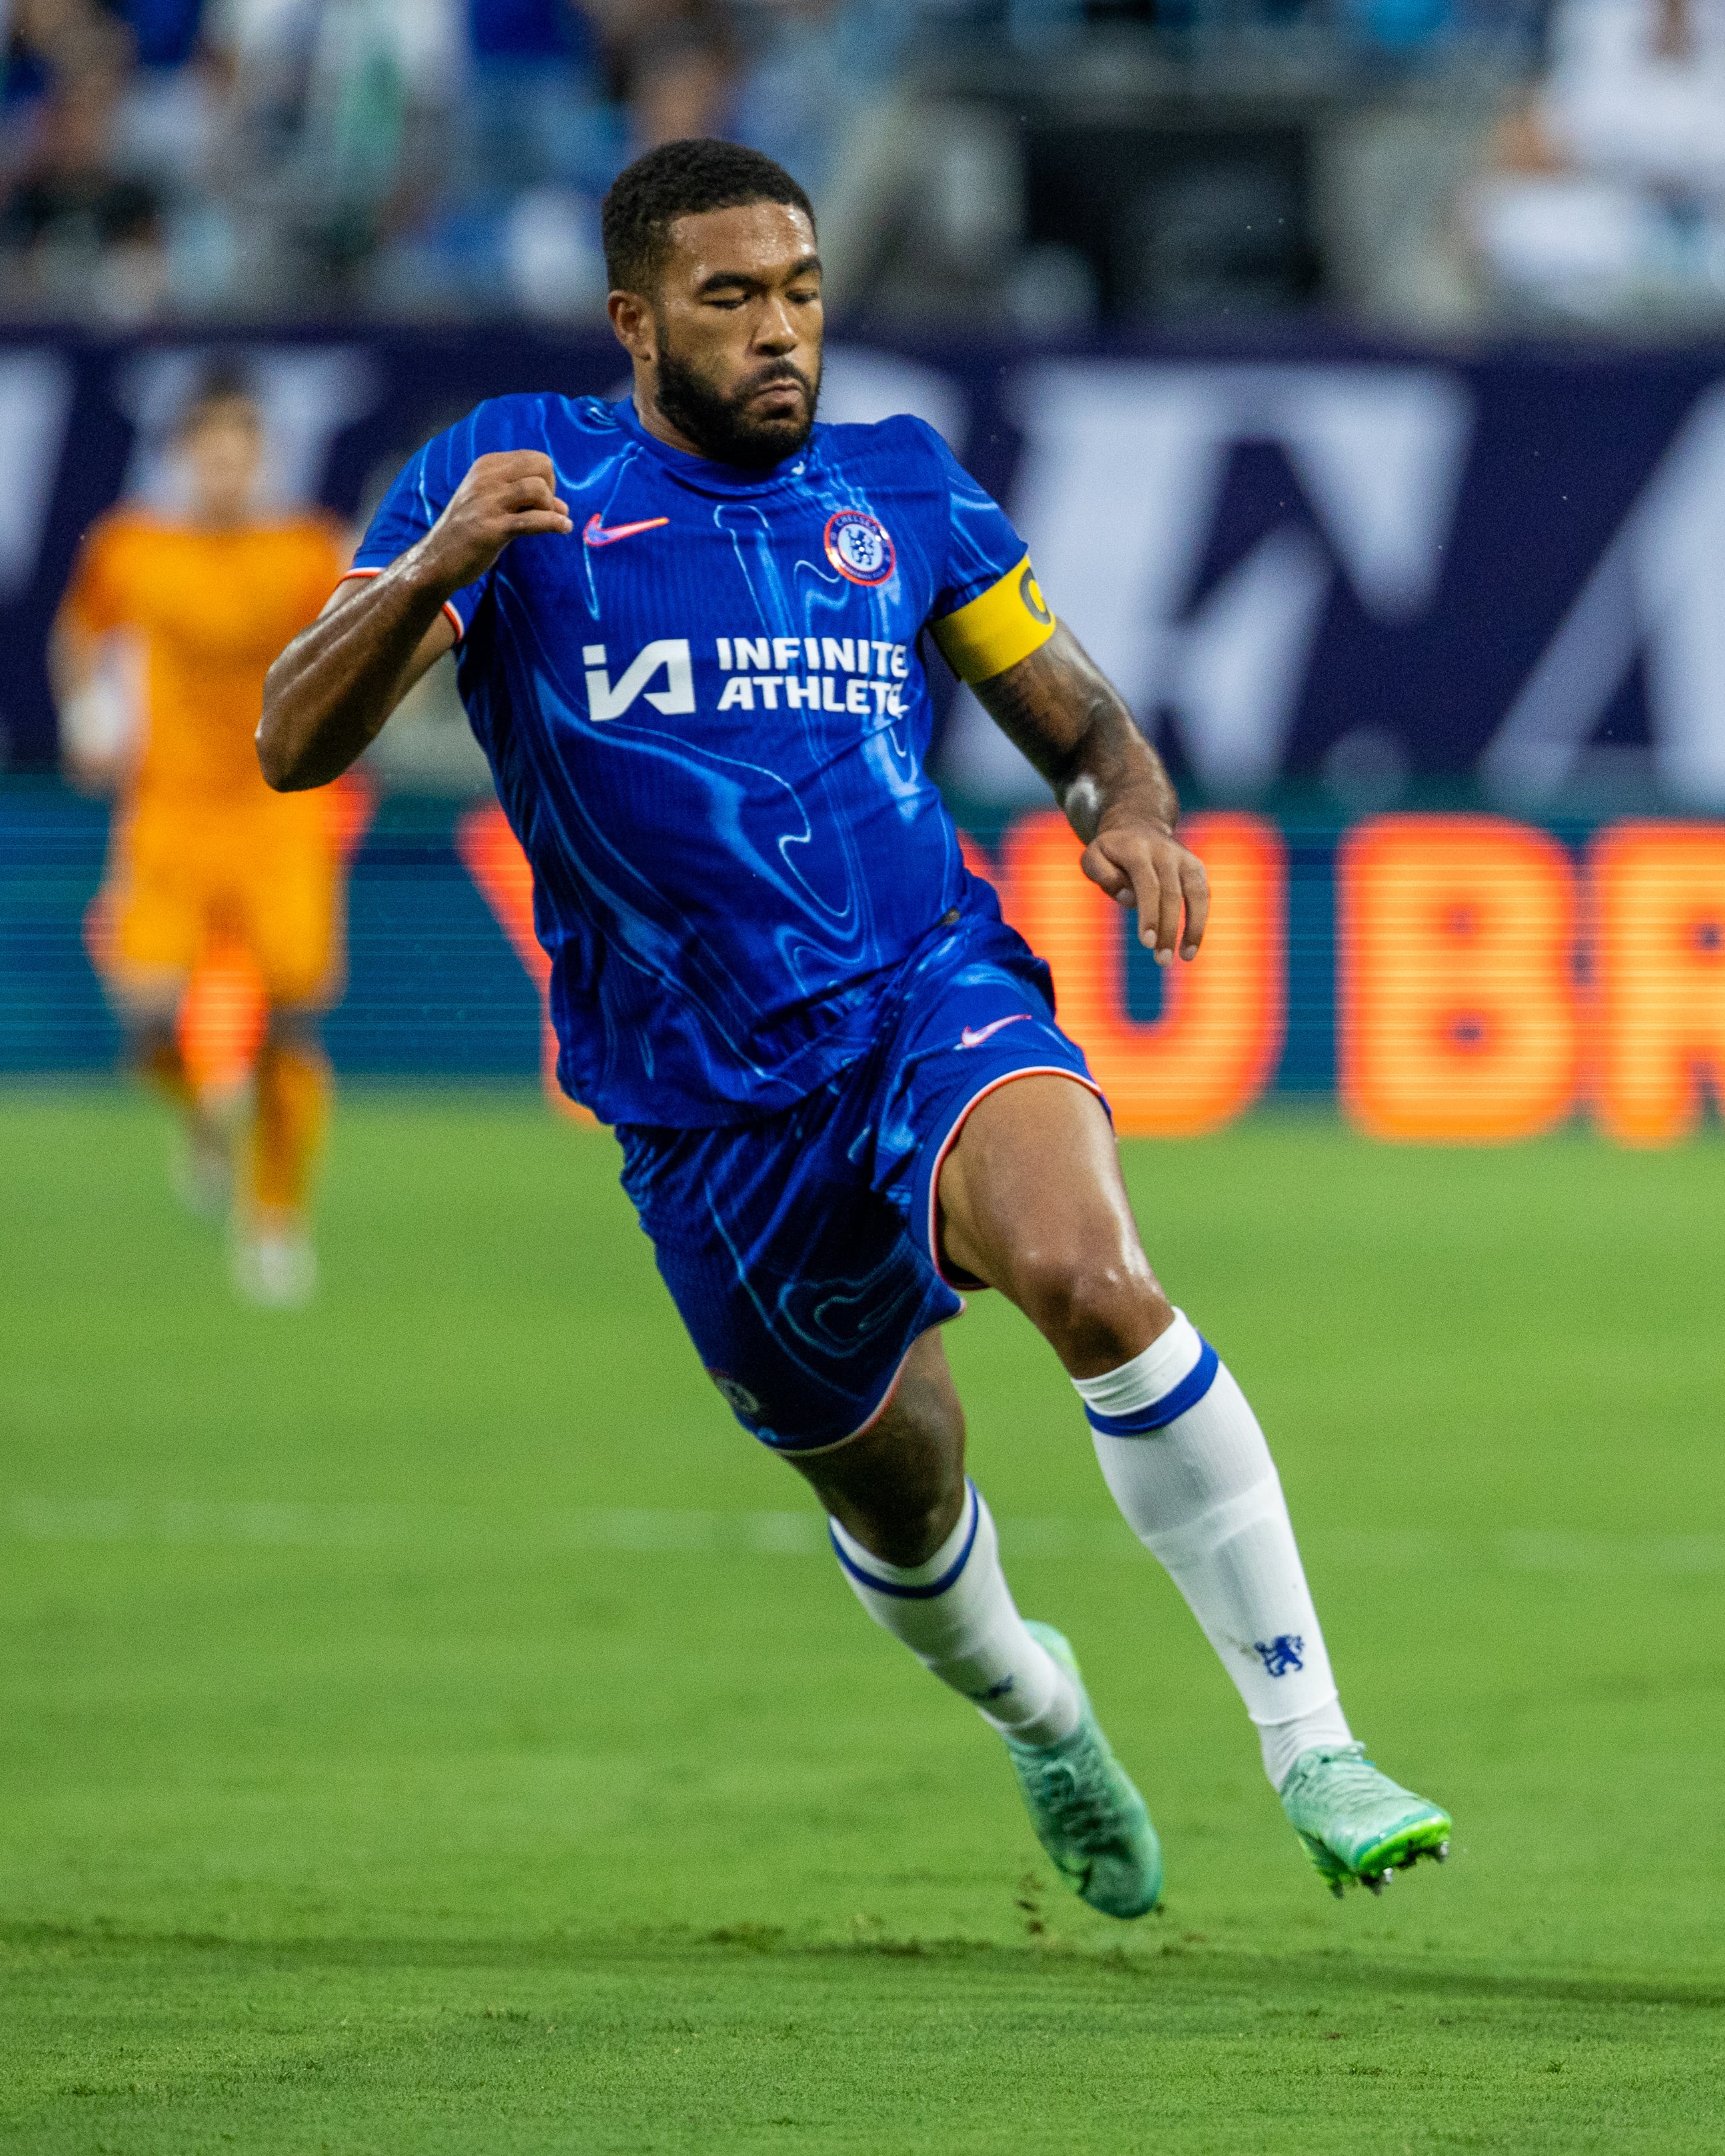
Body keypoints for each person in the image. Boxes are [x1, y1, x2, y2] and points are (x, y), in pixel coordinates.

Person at [256, 139, 1450, 1914]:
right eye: (731, 298)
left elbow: (1076, 716)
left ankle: (1315, 1739)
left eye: (802, 291)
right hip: (701, 1106)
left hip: (924, 991)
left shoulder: (902, 487)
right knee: (904, 1487)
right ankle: (1039, 1705)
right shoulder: (509, 480)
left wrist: (1125, 801)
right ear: (634, 320)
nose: (780, 332)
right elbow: (287, 740)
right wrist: (433, 564)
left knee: (1093, 1275)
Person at [57, 364, 349, 1305]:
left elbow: (363, 642)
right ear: (183, 456)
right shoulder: (132, 547)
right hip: (172, 809)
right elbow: (81, 632)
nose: (223, 469)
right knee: (144, 1016)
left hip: (280, 809)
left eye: (240, 451)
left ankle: (274, 1217)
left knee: (291, 1023)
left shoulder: (305, 549)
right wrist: (84, 712)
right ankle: (198, 1118)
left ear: (259, 457)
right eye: (207, 452)